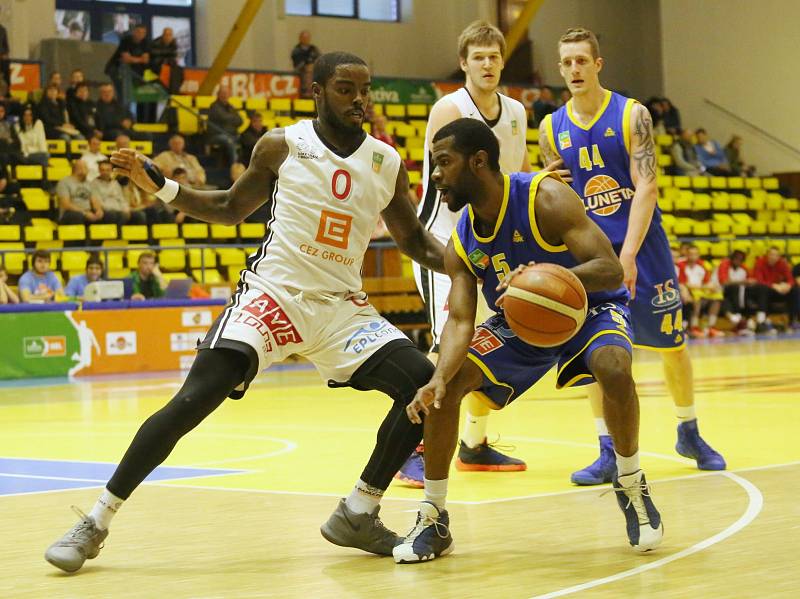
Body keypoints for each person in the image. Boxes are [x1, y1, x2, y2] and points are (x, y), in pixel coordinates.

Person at [44, 52, 447, 574]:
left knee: (426, 388)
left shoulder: (386, 161)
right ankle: (95, 521)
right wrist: (162, 187)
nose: (360, 100)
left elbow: (414, 240)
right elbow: (229, 207)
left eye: (365, 90)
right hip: (274, 294)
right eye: (346, 89)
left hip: (341, 308)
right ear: (318, 91)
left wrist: (474, 263)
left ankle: (359, 511)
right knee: (195, 397)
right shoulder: (282, 145)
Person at [393, 118, 663, 563]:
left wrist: (546, 281)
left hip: (590, 307)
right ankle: (434, 517)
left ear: (478, 162)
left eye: (443, 162)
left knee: (613, 368)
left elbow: (610, 269)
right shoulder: (462, 238)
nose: (435, 174)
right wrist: (438, 377)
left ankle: (631, 483)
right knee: (444, 386)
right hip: (519, 323)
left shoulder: (546, 197)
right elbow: (461, 319)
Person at [539, 28, 725, 485]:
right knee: (597, 351)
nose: (575, 69)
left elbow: (647, 185)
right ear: (560, 68)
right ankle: (606, 448)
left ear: (598, 64)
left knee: (672, 345)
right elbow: (558, 195)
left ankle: (689, 430)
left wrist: (629, 255)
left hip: (643, 244)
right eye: (567, 62)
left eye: (583, 60)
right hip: (589, 252)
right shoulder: (549, 128)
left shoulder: (631, 114)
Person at [405, 20, 532, 487]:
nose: (487, 63)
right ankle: (411, 447)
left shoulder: (517, 111)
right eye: (478, 56)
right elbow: (447, 183)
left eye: (494, 56)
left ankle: (474, 445)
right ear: (464, 63)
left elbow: (513, 178)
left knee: (488, 343)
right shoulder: (449, 108)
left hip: (490, 240)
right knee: (448, 347)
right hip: (442, 240)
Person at [677, 244, 723, 338]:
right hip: (688, 291)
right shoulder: (681, 265)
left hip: (701, 289)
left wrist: (712, 287)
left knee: (718, 296)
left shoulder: (702, 265)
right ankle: (694, 327)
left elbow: (707, 281)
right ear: (687, 254)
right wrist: (703, 287)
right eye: (691, 254)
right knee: (697, 296)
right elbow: (683, 283)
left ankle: (711, 327)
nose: (693, 256)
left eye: (695, 254)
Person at [752, 247, 798, 333]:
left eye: (776, 255)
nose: (774, 257)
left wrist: (787, 285)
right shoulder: (760, 262)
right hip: (763, 290)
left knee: (795, 290)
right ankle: (760, 322)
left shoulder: (782, 263)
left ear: (778, 257)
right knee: (763, 289)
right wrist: (773, 285)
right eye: (772, 254)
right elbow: (759, 280)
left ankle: (792, 320)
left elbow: (791, 279)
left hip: (778, 290)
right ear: (767, 255)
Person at [104, 24, 150, 107]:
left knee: (128, 93)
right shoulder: (126, 40)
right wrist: (140, 59)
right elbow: (126, 59)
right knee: (123, 92)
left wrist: (133, 59)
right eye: (139, 32)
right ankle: (122, 114)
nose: (141, 35)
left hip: (129, 70)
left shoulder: (145, 42)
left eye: (143, 33)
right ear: (134, 32)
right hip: (116, 67)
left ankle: (125, 113)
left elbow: (146, 60)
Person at [92, 159, 146, 225]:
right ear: (99, 170)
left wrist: (126, 209)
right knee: (115, 215)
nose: (105, 172)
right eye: (103, 170)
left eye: (107, 170)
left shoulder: (115, 183)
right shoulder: (94, 184)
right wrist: (117, 209)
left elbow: (122, 199)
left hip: (120, 210)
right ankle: (117, 234)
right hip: (107, 211)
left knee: (139, 215)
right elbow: (98, 202)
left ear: (111, 171)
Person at [717, 249, 756, 335]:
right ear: (732, 258)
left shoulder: (743, 268)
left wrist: (751, 282)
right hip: (720, 292)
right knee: (734, 288)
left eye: (741, 259)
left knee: (749, 290)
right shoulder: (724, 265)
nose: (738, 261)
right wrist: (741, 282)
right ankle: (738, 318)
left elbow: (751, 279)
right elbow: (724, 282)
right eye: (736, 258)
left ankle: (747, 319)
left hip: (738, 295)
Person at [56, 159, 104, 225]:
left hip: (87, 212)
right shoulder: (64, 182)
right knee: (77, 216)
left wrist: (99, 210)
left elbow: (94, 200)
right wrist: (84, 213)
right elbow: (65, 204)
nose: (88, 171)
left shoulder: (88, 183)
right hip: (70, 213)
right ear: (78, 169)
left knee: (106, 216)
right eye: (86, 168)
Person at [207, 85, 243, 166]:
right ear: (218, 94)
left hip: (231, 134)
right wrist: (233, 118)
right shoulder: (214, 106)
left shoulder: (230, 106)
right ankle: (234, 168)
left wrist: (230, 118)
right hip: (216, 135)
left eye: (227, 93)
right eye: (223, 93)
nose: (225, 95)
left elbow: (240, 120)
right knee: (229, 141)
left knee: (245, 139)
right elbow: (224, 118)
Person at [291, 30, 320, 99]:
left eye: (307, 38)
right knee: (308, 72)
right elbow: (298, 63)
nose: (306, 40)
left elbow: (319, 59)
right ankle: (306, 91)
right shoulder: (296, 50)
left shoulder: (313, 49)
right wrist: (307, 65)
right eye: (304, 38)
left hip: (313, 70)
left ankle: (314, 91)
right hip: (301, 71)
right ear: (300, 38)